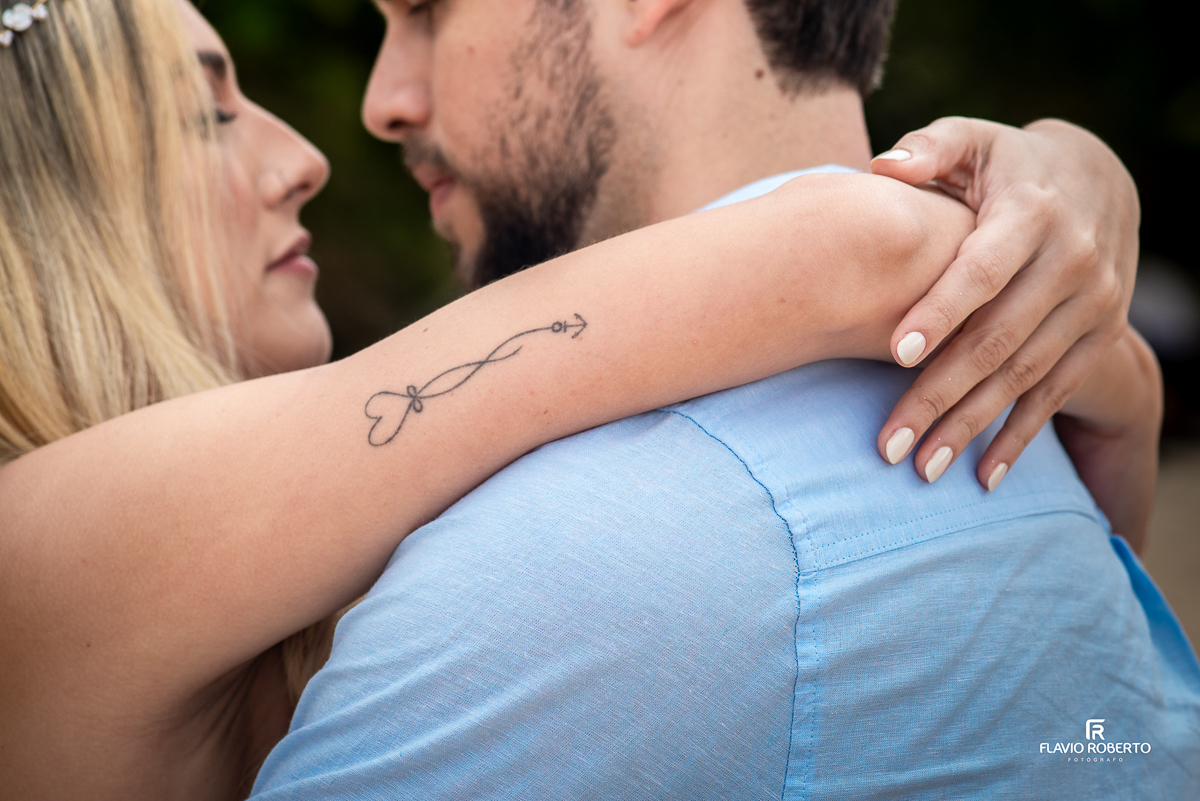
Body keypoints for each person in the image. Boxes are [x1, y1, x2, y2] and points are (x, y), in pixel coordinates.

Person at [0, 1, 1176, 799]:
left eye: (425, 8)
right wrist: (1066, 230)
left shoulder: (425, 556)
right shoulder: (46, 548)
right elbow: (841, 250)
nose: (333, 135)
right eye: (210, 111)